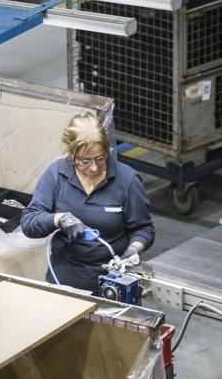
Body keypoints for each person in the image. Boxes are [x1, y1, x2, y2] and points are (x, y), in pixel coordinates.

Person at [20, 112, 154, 293]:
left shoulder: (126, 180)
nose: (94, 167)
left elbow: (144, 229)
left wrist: (133, 250)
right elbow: (29, 223)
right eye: (85, 161)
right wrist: (60, 219)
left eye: (100, 158)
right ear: (70, 153)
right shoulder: (56, 175)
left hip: (114, 284)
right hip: (64, 281)